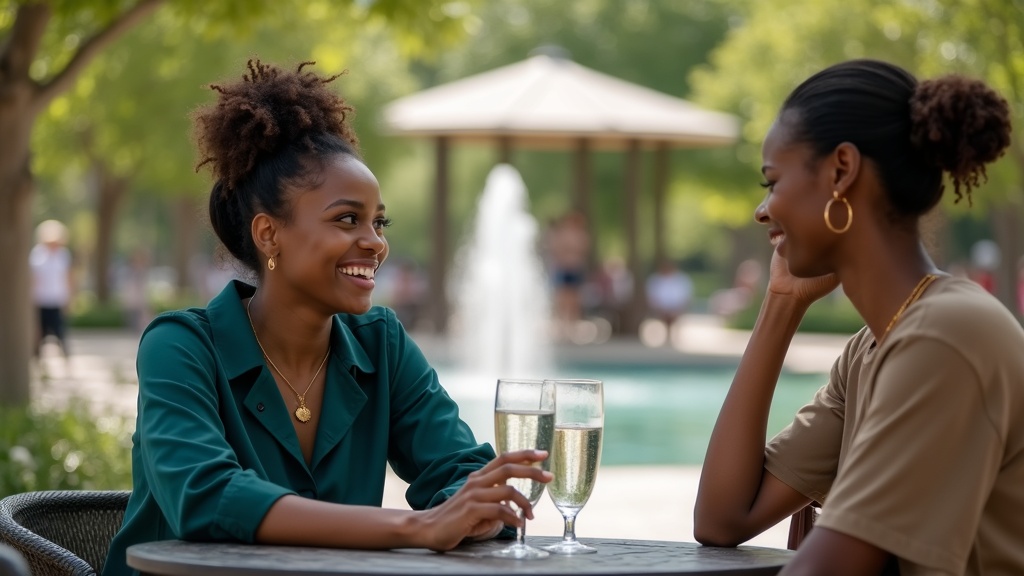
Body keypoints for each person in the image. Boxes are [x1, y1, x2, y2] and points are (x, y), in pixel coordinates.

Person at [102, 60, 550, 576]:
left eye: (378, 222)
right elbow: (206, 497)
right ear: (269, 234)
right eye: (347, 219)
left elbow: (461, 470)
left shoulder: (381, 344)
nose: (376, 243)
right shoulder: (180, 346)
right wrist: (417, 528)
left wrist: (474, 511)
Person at [693, 59, 1021, 575]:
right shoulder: (871, 350)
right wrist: (782, 304)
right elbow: (723, 518)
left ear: (841, 170)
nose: (762, 211)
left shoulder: (947, 336)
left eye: (773, 182)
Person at [29, 219, 73, 361]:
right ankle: (37, 361)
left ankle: (66, 361)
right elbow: (33, 278)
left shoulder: (63, 255)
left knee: (61, 333)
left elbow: (67, 277)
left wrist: (69, 297)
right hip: (41, 300)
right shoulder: (37, 255)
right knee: (39, 334)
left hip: (57, 299)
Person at [644, 258, 694, 335]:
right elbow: (651, 297)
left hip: (677, 307)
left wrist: (679, 308)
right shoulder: (655, 279)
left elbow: (687, 296)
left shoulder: (682, 279)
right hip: (660, 307)